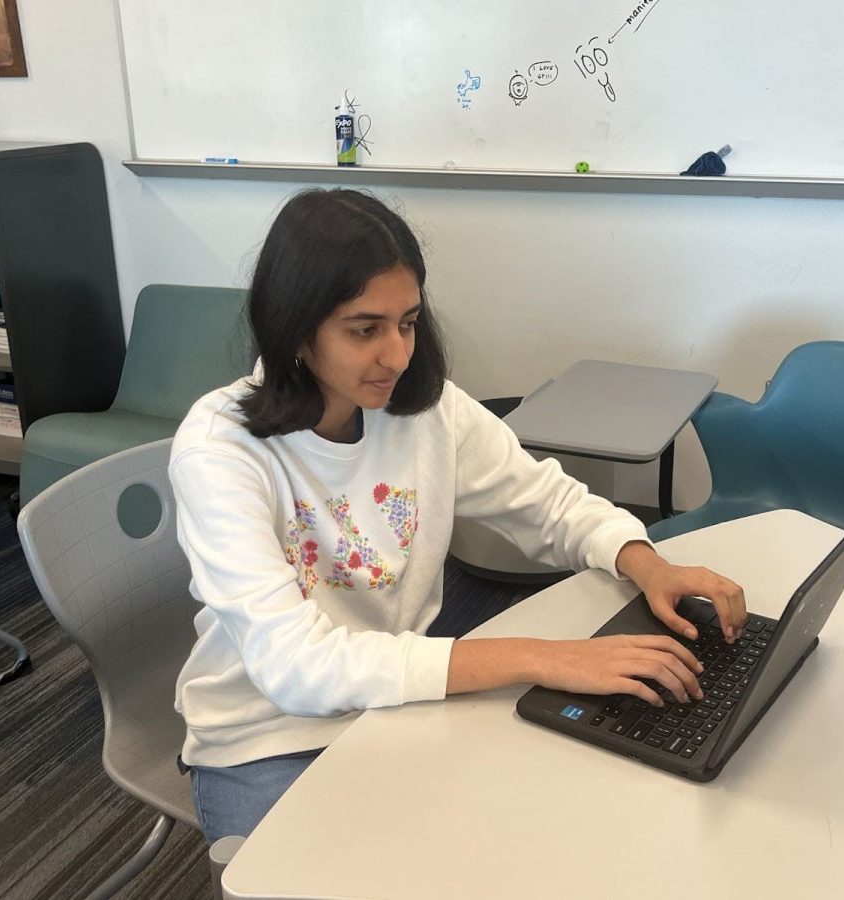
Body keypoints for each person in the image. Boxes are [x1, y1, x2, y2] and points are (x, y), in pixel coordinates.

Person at [169, 188, 747, 843]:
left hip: (399, 703)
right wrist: (542, 658)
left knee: (543, 835)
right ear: (295, 329)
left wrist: (645, 563)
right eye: (365, 329)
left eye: (408, 322)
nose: (397, 354)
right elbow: (298, 669)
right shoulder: (220, 451)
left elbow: (547, 503)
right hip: (267, 737)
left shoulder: (424, 411)